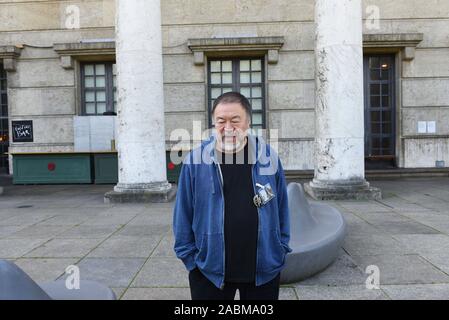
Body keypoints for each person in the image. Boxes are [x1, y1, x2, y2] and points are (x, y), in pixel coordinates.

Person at [173, 91, 292, 300]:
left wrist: (280, 247)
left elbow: (281, 205)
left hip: (263, 270)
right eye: (221, 121)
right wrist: (191, 260)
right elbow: (182, 213)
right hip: (209, 272)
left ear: (248, 122)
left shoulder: (268, 158)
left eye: (235, 120)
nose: (228, 128)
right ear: (213, 124)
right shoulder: (195, 161)